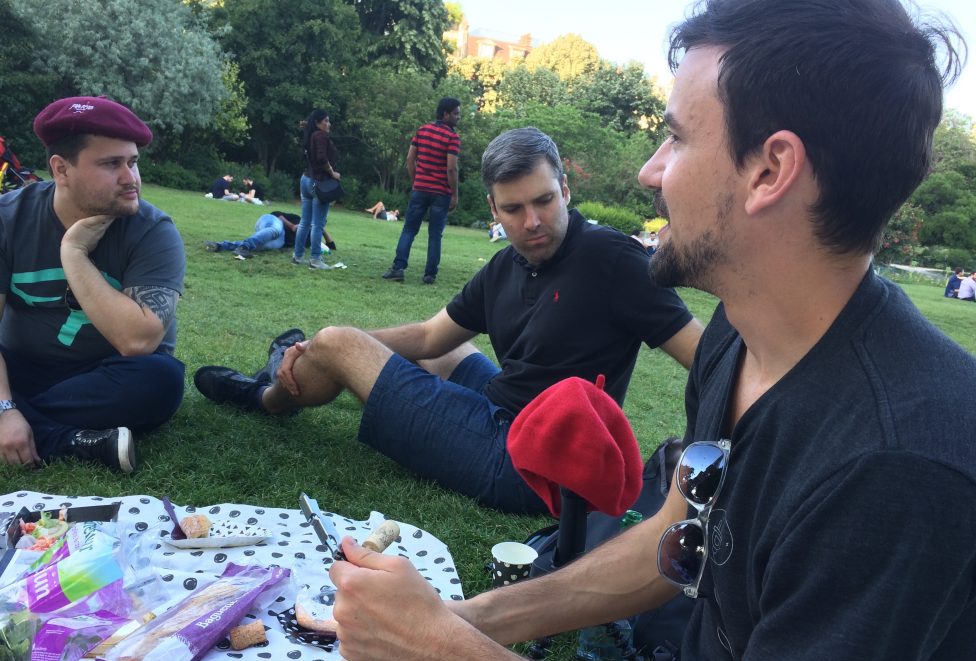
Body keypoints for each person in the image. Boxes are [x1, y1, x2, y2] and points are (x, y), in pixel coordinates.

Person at [312, 2, 976, 661]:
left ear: (770, 170)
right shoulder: (738, 332)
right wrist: (460, 622)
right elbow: (674, 537)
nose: (649, 170)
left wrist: (455, 657)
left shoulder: (899, 458)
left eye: (677, 137)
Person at [195, 127, 702, 515]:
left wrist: (335, 347)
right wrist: (328, 349)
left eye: (544, 201)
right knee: (445, 348)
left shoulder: (611, 259)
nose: (532, 222)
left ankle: (263, 397)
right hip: (505, 409)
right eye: (514, 208)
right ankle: (301, 357)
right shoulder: (507, 264)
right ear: (493, 210)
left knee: (336, 342)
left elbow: (706, 355)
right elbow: (430, 336)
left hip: (531, 463)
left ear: (565, 190)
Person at [0, 96, 186, 474]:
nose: (131, 178)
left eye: (133, 162)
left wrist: (74, 253)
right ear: (61, 170)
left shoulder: (153, 230)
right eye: (112, 164)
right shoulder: (3, 220)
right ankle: (70, 440)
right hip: (19, 367)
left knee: (161, 380)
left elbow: (138, 341)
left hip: (109, 376)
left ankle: (15, 419)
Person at [382, 97, 462, 284]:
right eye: (456, 114)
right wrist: (455, 195)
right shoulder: (452, 137)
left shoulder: (422, 130)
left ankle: (398, 268)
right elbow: (451, 168)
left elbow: (410, 159)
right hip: (441, 193)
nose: (459, 118)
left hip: (420, 189)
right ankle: (429, 274)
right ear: (446, 114)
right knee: (435, 235)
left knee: (409, 229)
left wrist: (416, 181)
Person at [292, 109, 341, 271]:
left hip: (305, 180)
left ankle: (298, 256)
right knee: (318, 224)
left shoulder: (311, 134)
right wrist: (332, 172)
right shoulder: (320, 136)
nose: (329, 124)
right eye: (326, 121)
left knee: (305, 222)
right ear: (318, 123)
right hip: (318, 183)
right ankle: (315, 259)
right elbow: (321, 157)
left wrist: (308, 125)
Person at [204, 211, 302, 260]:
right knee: (275, 230)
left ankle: (220, 246)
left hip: (281, 240)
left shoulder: (309, 239)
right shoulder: (299, 219)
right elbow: (277, 214)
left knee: (263, 246)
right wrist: (292, 226)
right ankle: (244, 247)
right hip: (272, 221)